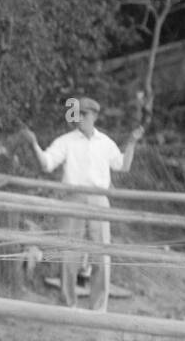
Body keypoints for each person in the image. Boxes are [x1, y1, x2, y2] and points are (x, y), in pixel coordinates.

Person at [22, 97, 143, 313]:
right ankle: (68, 304)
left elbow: (123, 165)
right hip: (73, 198)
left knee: (101, 254)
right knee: (70, 252)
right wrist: (33, 144)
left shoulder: (105, 142)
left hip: (99, 200)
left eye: (85, 114)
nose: (80, 118)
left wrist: (132, 142)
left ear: (94, 116)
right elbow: (47, 164)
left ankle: (99, 308)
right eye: (78, 114)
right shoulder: (66, 141)